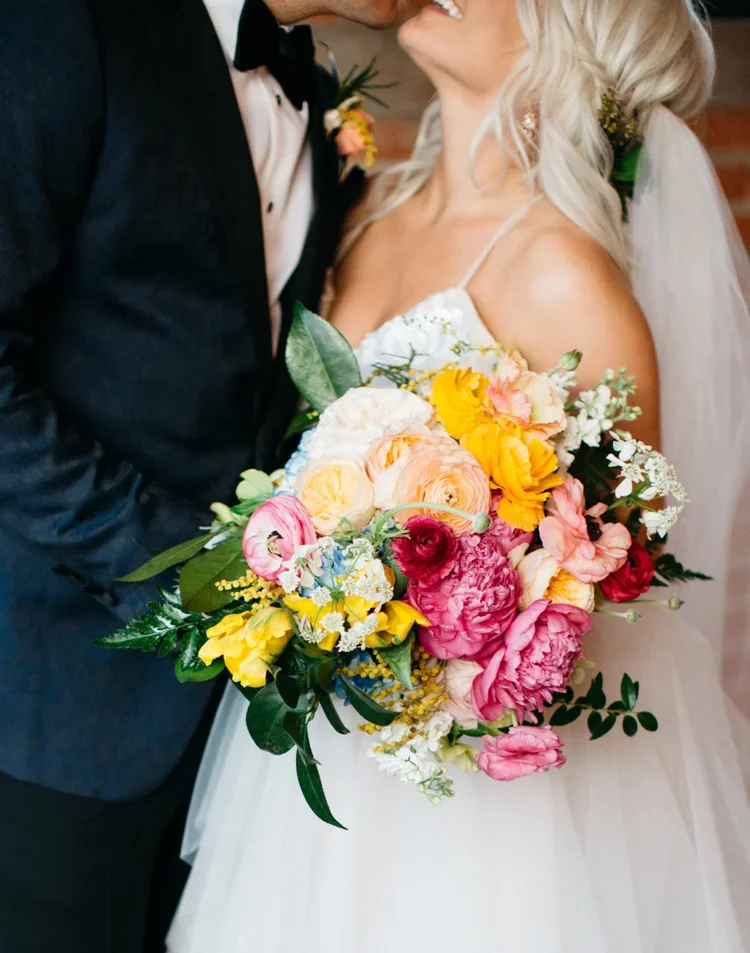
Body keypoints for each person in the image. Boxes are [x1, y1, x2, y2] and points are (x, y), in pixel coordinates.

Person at [168, 0, 750, 951]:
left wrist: (445, 629)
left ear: (566, 36)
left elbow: (614, 587)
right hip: (320, 765)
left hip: (483, 818)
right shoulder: (364, 208)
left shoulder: (570, 275)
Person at [0, 1, 399, 951]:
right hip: (55, 699)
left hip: (234, 746)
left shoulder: (307, 74)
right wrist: (194, 567)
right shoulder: (64, 25)